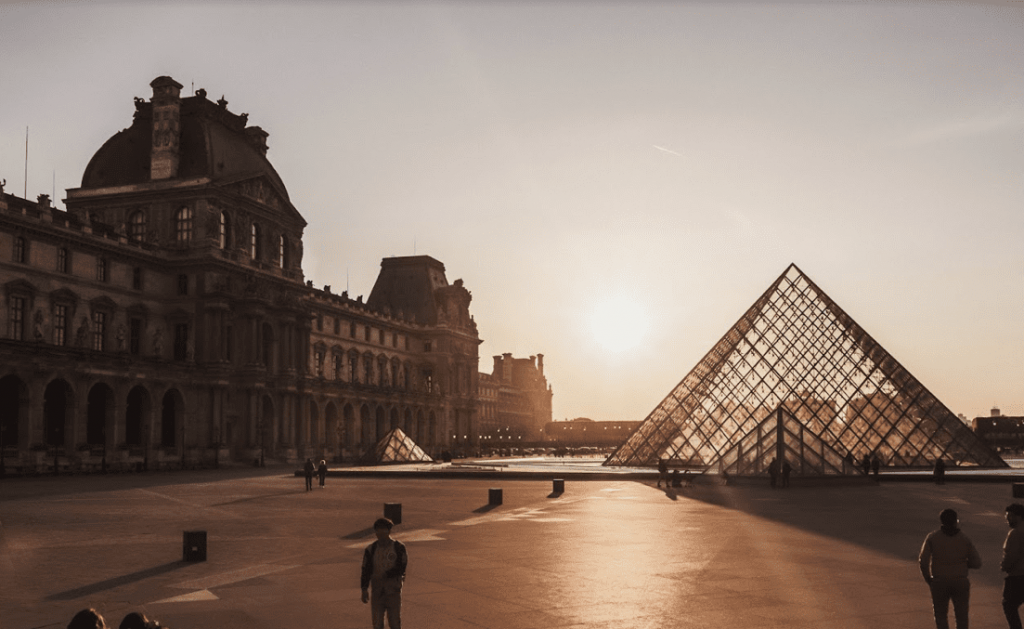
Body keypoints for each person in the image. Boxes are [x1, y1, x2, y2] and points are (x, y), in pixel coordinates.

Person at [919, 508, 982, 629]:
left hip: (940, 580)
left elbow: (923, 561)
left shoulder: (933, 537)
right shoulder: (964, 539)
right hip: (960, 580)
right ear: (956, 521)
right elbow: (977, 562)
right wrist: (964, 564)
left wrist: (928, 578)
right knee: (962, 615)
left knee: (940, 615)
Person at [361, 517, 408, 629]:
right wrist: (364, 589)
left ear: (389, 531)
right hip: (377, 592)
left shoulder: (398, 547)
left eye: (384, 529)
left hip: (393, 592)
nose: (381, 533)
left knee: (395, 623)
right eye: (378, 530)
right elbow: (365, 570)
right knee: (377, 624)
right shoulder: (371, 549)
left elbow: (401, 567)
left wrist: (386, 574)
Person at [1001, 503, 1024, 629]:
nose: (1007, 519)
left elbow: (1012, 555)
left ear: (1019, 517)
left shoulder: (1015, 533)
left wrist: (1004, 566)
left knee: (1009, 605)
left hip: (1018, 577)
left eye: (1010, 516)